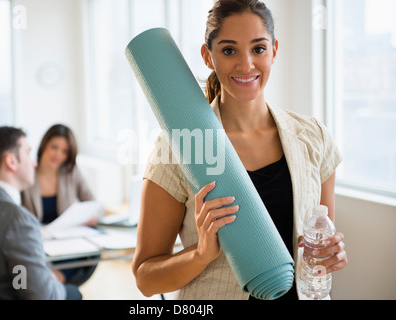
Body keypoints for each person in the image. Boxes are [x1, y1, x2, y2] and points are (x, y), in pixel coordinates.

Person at [132, 0, 348, 300]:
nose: (246, 64)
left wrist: (329, 254)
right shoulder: (178, 147)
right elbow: (146, 279)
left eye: (258, 48)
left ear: (274, 50)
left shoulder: (313, 137)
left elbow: (318, 242)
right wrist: (201, 254)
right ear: (208, 56)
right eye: (229, 50)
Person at [0, 126, 81, 300]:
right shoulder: (18, 220)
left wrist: (39, 278)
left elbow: (21, 276)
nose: (34, 162)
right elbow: (40, 296)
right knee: (73, 293)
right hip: (9, 294)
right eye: (28, 153)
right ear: (11, 162)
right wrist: (53, 281)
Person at [21, 124, 98, 286]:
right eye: (54, 147)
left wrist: (90, 217)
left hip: (64, 237)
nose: (58, 155)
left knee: (93, 253)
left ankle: (58, 280)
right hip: (37, 239)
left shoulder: (71, 172)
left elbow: (91, 202)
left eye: (65, 151)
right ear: (44, 146)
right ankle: (59, 286)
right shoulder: (28, 172)